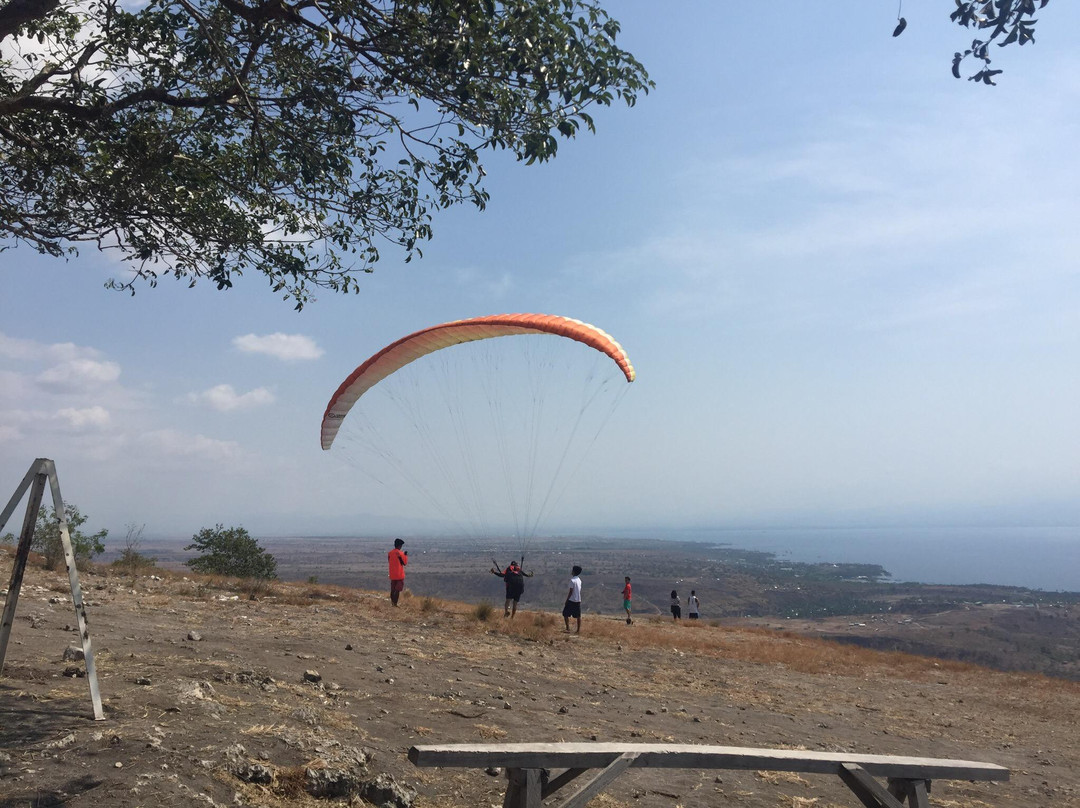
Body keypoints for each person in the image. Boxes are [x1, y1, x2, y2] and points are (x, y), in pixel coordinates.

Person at [562, 565, 583, 633]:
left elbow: (571, 591)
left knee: (565, 613)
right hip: (578, 599)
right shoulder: (579, 580)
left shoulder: (572, 580)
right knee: (578, 615)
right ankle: (578, 630)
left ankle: (567, 628)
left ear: (574, 571)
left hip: (572, 600)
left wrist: (567, 600)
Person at [388, 538, 408, 606]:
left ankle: (392, 603)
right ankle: (395, 604)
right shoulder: (400, 553)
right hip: (399, 574)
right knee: (397, 590)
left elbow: (389, 561)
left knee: (393, 589)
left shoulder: (390, 553)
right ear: (400, 545)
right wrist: (405, 555)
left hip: (392, 574)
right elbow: (404, 563)